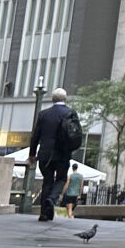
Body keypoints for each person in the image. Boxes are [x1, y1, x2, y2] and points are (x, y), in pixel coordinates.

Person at [29, 88, 81, 223]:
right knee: (61, 178)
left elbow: (35, 136)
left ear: (52, 99)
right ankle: (52, 199)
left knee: (47, 180)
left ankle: (44, 214)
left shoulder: (43, 114)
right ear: (65, 99)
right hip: (62, 153)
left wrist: (32, 154)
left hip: (45, 154)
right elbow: (75, 133)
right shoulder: (70, 113)